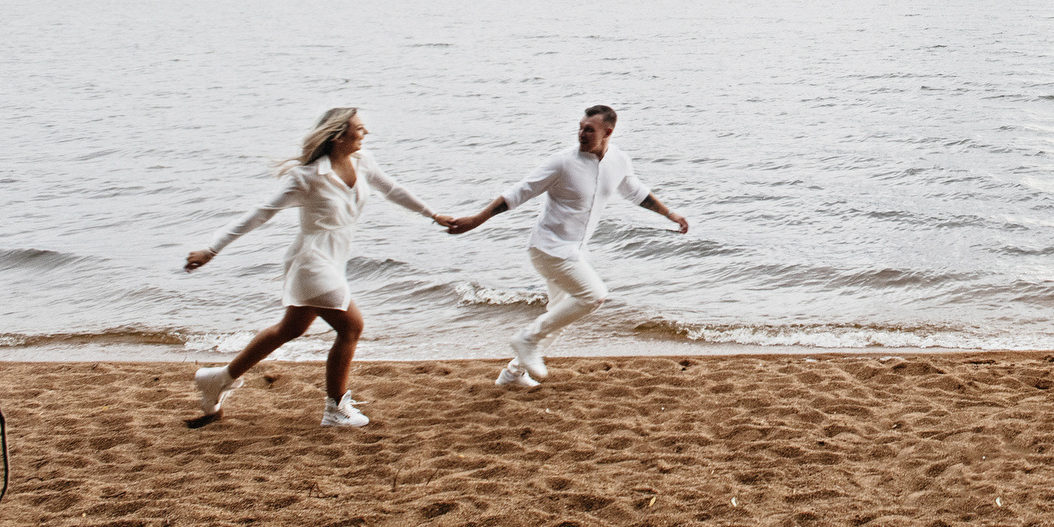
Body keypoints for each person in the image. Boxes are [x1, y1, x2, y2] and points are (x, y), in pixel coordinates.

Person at [183, 107, 455, 427]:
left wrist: (433, 214)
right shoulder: (307, 177)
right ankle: (335, 408)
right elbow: (261, 212)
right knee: (351, 327)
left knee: (290, 329)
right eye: (360, 128)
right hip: (311, 261)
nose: (365, 133)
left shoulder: (362, 162)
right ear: (339, 136)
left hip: (334, 260)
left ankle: (218, 379)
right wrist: (212, 249)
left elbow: (392, 189)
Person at [445, 103, 687, 388]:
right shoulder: (562, 163)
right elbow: (519, 192)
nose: (582, 134)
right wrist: (476, 219)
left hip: (574, 251)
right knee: (594, 296)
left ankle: (512, 374)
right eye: (581, 127)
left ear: (608, 132)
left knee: (560, 316)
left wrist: (670, 214)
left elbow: (635, 191)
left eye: (589, 130)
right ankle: (527, 338)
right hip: (548, 248)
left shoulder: (618, 160)